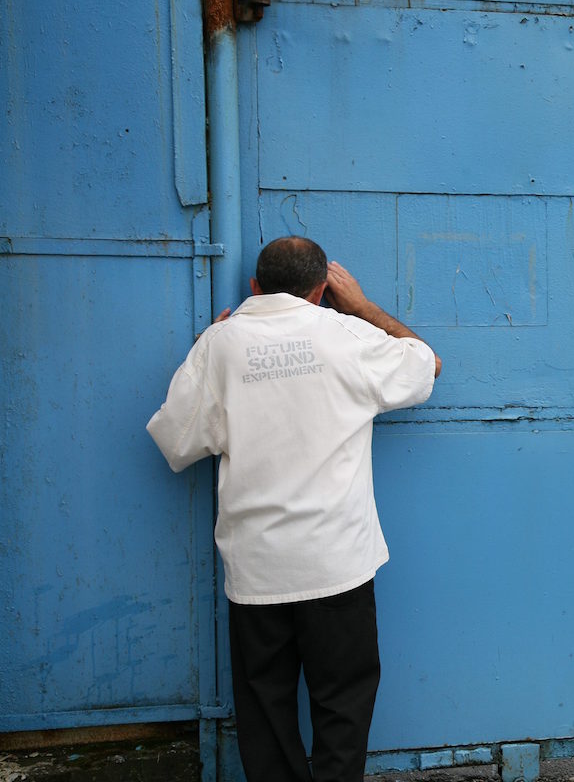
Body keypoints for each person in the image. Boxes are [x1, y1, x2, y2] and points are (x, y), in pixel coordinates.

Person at [147, 236, 441, 781]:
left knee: (265, 713)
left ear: (255, 286)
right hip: (336, 563)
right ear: (322, 290)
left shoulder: (220, 345)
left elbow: (176, 441)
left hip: (258, 569)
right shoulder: (348, 333)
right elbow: (427, 364)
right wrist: (363, 308)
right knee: (344, 705)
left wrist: (205, 354)